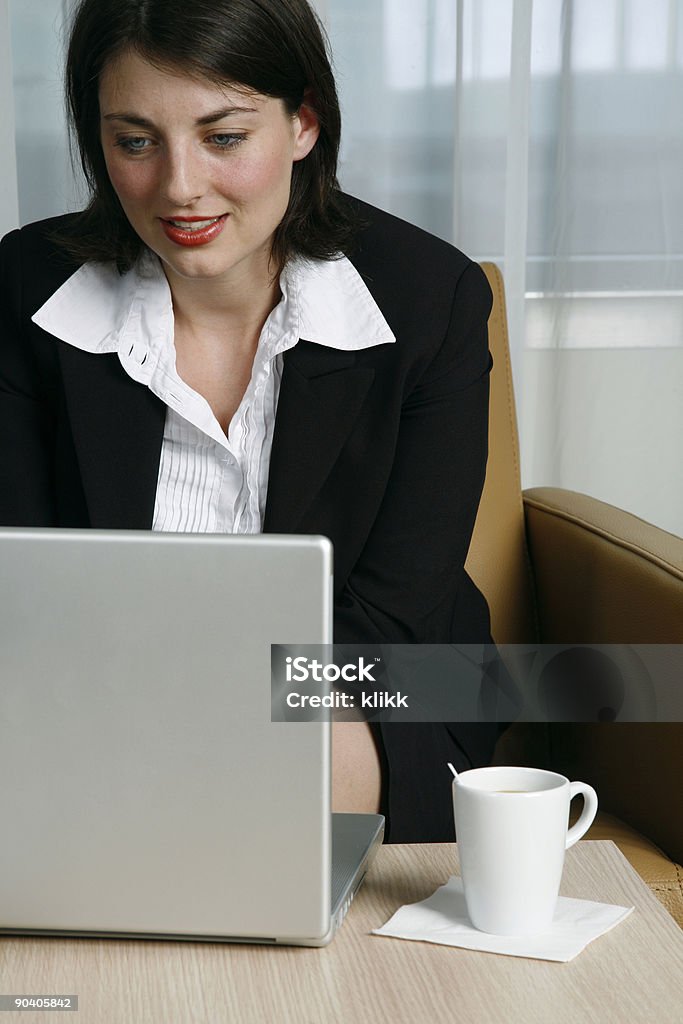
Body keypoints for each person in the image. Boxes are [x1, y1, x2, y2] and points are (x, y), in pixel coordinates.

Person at [0, 0, 500, 842]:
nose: (179, 186)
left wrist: (196, 716)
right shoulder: (21, 290)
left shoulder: (429, 300)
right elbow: (24, 587)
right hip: (87, 689)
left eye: (223, 137)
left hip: (371, 683)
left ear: (302, 122)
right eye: (134, 141)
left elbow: (395, 614)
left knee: (281, 763)